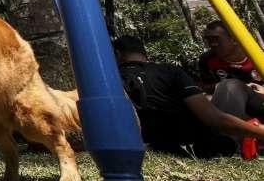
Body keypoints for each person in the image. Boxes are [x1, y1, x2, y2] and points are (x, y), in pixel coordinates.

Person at [113, 35, 264, 158]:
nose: (213, 44)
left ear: (117, 54)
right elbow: (215, 119)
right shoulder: (169, 71)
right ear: (144, 53)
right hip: (199, 144)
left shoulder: (110, 81)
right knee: (230, 86)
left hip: (154, 145)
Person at [198, 20, 264, 121]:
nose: (212, 44)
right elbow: (206, 86)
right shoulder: (207, 60)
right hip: (232, 107)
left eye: (216, 39)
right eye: (209, 40)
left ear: (234, 39)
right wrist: (220, 87)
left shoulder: (257, 54)